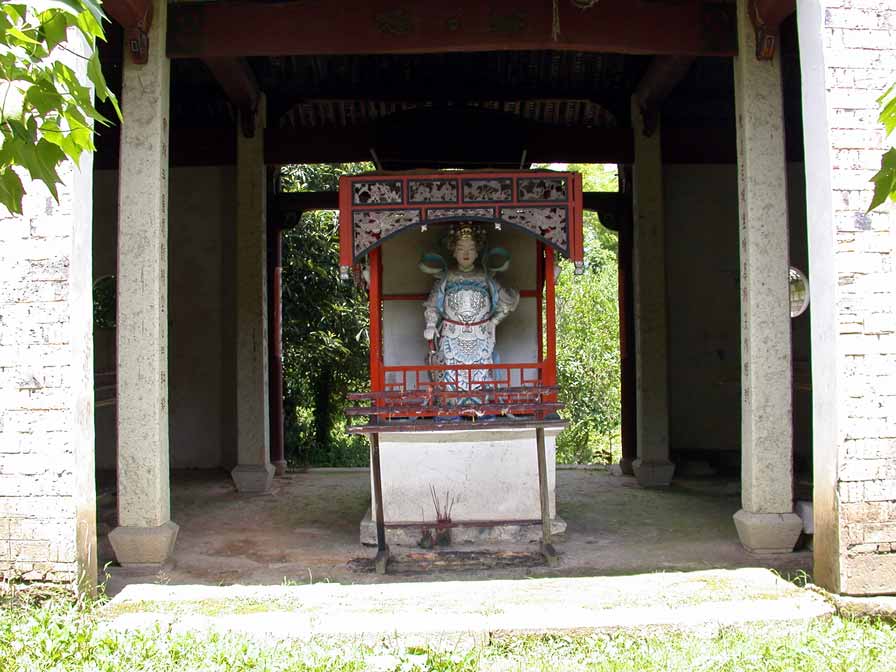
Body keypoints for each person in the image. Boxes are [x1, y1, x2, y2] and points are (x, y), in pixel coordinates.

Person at [422, 223, 519, 402]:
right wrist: (430, 324)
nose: (466, 254)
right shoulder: (447, 277)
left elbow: (506, 302)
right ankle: (450, 406)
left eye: (471, 249)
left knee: (481, 373)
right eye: (461, 249)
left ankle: (483, 406)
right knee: (450, 372)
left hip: (480, 336)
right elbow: (432, 305)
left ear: (477, 253)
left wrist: (494, 322)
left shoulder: (484, 277)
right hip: (452, 335)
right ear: (453, 252)